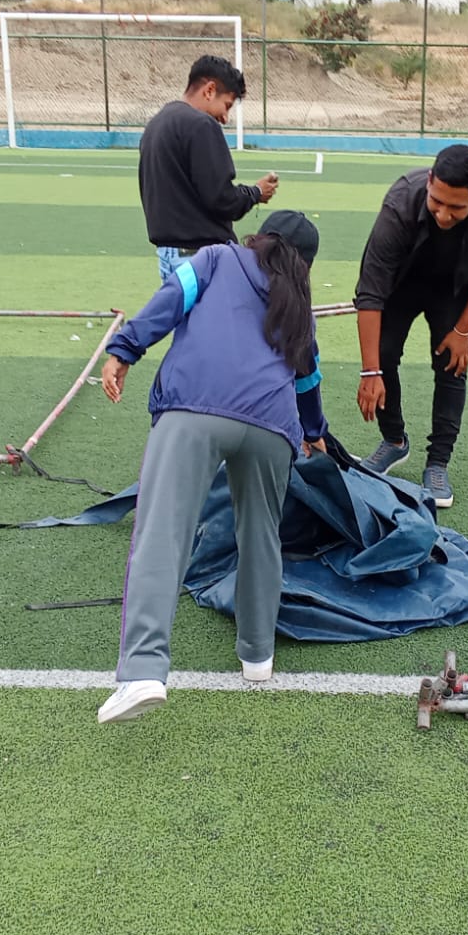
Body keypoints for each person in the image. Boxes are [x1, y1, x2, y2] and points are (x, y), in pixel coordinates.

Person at [95, 210, 327, 724]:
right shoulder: (301, 309)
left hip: (194, 410)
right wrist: (314, 432)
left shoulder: (215, 258)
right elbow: (308, 379)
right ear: (304, 265)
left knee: (163, 533)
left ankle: (144, 671)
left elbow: (169, 301)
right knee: (261, 536)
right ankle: (257, 656)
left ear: (259, 237)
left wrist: (123, 350)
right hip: (272, 427)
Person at [351, 144, 468, 508]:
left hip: (456, 287)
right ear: (429, 181)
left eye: (456, 207)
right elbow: (370, 291)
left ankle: (438, 462)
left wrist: (463, 331)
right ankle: (394, 441)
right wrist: (370, 371)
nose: (443, 214)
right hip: (402, 283)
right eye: (436, 201)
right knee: (383, 354)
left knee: (451, 365)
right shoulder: (400, 204)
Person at [138, 54, 280, 281]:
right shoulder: (200, 125)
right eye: (227, 105)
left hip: (169, 255)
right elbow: (222, 199)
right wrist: (256, 192)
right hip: (200, 257)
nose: (225, 117)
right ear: (210, 90)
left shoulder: (157, 123)